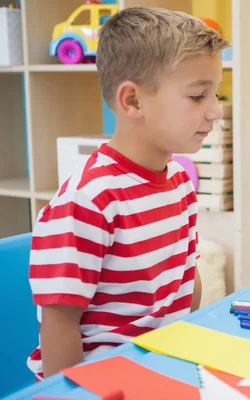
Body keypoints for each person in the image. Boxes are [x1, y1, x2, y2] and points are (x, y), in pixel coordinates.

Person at [27, 7, 229, 379]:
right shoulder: (87, 202)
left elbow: (188, 281)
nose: (216, 111)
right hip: (101, 382)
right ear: (133, 102)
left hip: (162, 366)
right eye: (199, 96)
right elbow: (58, 325)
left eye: (216, 93)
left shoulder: (180, 183)